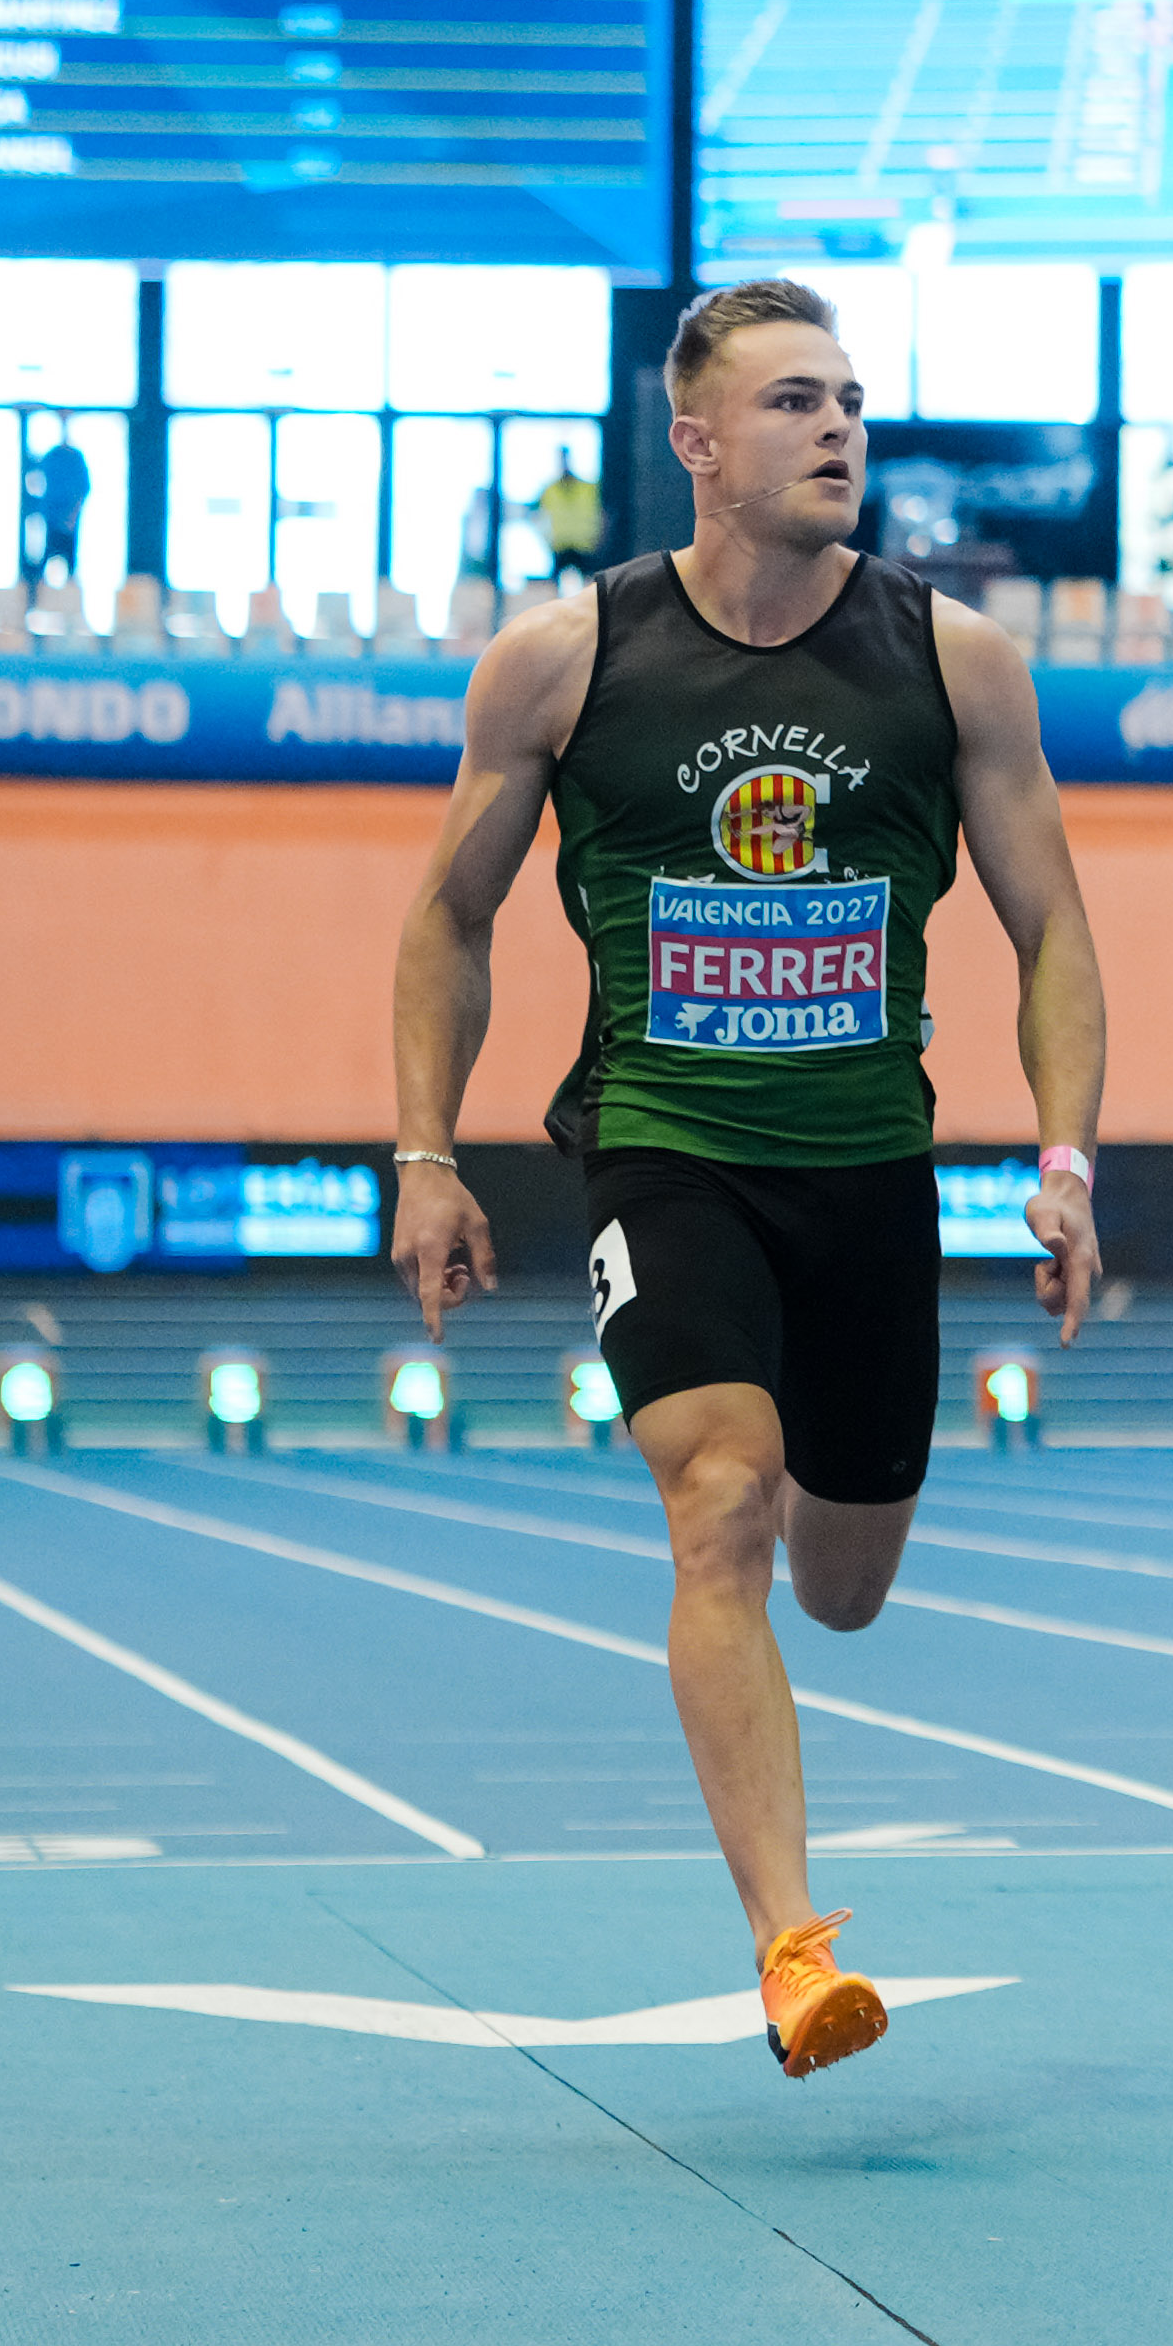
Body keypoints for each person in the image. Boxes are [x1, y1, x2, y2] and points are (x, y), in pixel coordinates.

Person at [388, 277, 1110, 2073]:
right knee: (720, 1499)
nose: (839, 426)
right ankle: (794, 1948)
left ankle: (809, 1495)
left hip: (868, 1175)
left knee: (842, 1583)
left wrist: (1066, 1154)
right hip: (667, 1152)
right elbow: (448, 917)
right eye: (795, 401)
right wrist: (426, 1153)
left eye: (850, 398)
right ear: (696, 442)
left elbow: (1052, 928)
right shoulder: (566, 662)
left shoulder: (954, 661)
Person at [23, 431, 90, 591]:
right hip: (49, 520)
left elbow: (84, 488)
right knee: (41, 561)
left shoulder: (75, 459)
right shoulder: (50, 458)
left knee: (70, 563)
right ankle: (34, 595)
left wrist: (72, 515)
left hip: (66, 522)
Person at [537, 449, 603, 585]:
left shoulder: (589, 488)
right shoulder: (549, 490)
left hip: (585, 545)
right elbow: (540, 518)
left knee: (590, 586)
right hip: (559, 546)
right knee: (555, 586)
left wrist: (600, 538)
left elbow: (602, 514)